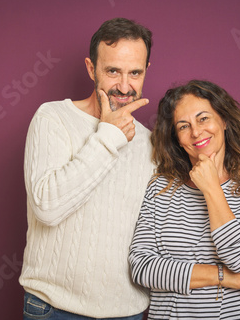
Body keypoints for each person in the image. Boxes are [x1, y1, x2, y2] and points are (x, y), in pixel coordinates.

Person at [19, 18, 154, 320]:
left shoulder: (150, 142)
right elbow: (48, 208)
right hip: (54, 309)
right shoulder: (52, 117)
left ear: (146, 70)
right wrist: (109, 136)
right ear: (92, 69)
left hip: (127, 312)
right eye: (112, 71)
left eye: (135, 73)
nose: (124, 85)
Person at [129, 80, 240, 319]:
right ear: (177, 138)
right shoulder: (159, 188)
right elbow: (142, 268)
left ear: (224, 120)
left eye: (203, 118)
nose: (196, 132)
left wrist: (211, 189)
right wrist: (221, 276)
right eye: (183, 126)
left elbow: (239, 259)